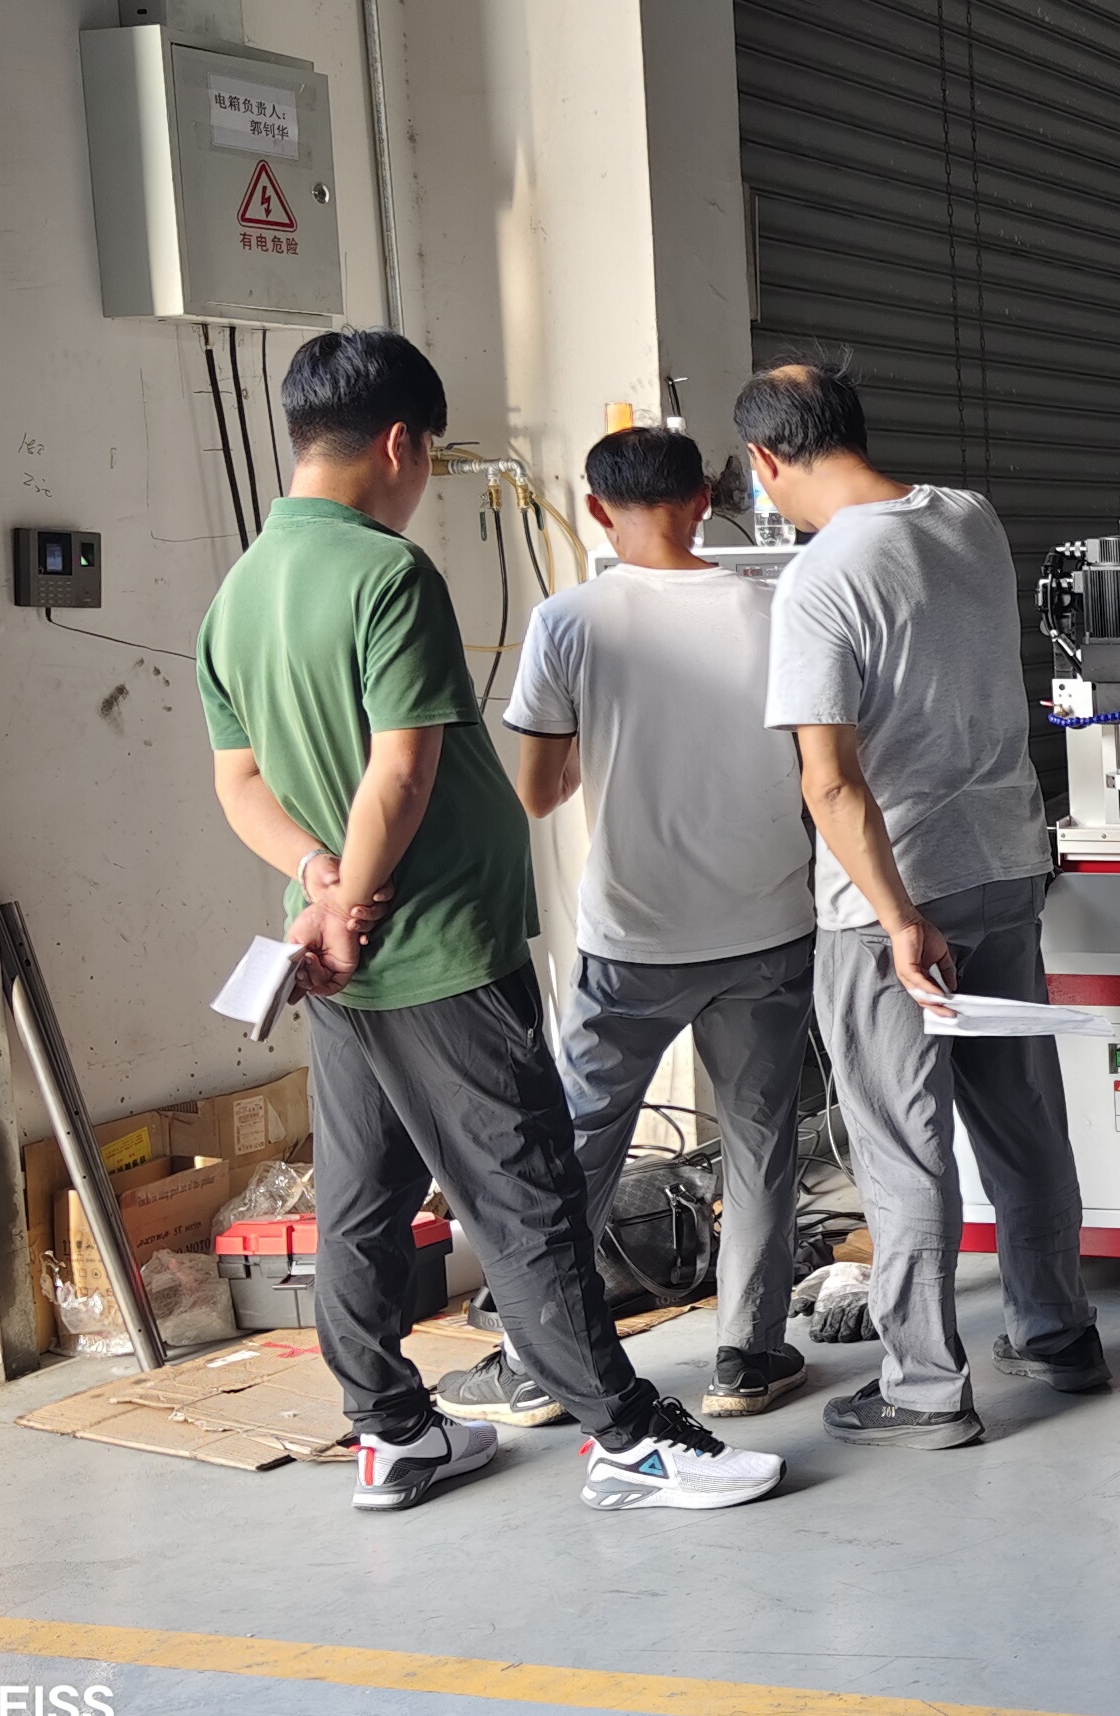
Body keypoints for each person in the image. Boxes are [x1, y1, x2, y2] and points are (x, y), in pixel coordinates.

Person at [196, 330, 778, 1514]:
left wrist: (317, 885)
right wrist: (353, 901)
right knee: (526, 1195)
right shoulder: (385, 573)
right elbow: (400, 772)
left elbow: (239, 783)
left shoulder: (239, 588)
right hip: (433, 945)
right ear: (399, 444)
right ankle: (628, 1440)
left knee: (362, 1202)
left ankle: (394, 1435)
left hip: (338, 957)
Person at [741, 358, 1105, 1450]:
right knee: (1023, 1118)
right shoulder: (969, 518)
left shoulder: (818, 579)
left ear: (764, 461)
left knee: (903, 1146)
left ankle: (923, 1390)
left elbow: (831, 783)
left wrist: (897, 918)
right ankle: (1057, 1333)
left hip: (896, 900)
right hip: (1005, 863)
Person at [426, 427, 821, 1430]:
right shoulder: (779, 608)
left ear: (598, 512)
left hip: (633, 938)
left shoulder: (567, 620)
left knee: (578, 1149)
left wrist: (599, 747)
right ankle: (749, 1356)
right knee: (760, 1141)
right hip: (768, 922)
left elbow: (539, 791)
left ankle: (538, 1365)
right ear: (704, 502)